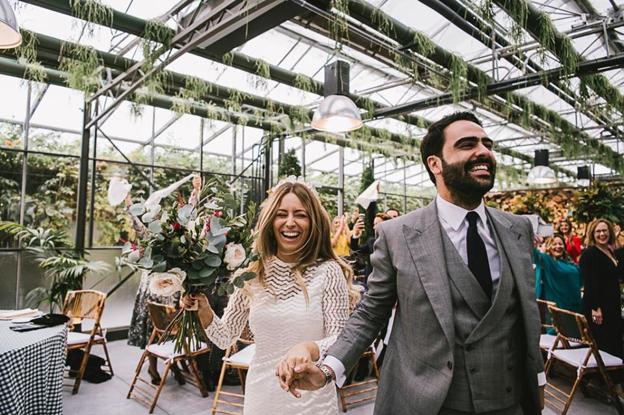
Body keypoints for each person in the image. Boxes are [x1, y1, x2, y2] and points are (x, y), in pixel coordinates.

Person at [278, 111, 544, 414]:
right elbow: (370, 313)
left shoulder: (517, 229)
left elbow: (525, 313)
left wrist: (538, 377)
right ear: (435, 164)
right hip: (429, 402)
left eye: (487, 144)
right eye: (468, 145)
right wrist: (328, 370)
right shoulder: (398, 234)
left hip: (508, 402)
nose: (484, 152)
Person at [181, 178, 359, 414]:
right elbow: (225, 338)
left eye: (301, 215)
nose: (290, 222)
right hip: (261, 396)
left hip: (311, 398)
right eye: (281, 214)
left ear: (313, 221)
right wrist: (203, 309)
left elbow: (340, 339)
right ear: (270, 220)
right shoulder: (250, 272)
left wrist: (310, 348)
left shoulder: (328, 271)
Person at [579, 218, 624, 359]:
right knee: (604, 342)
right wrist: (595, 307)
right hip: (599, 306)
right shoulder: (589, 254)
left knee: (614, 338)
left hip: (612, 303)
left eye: (605, 230)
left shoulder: (611, 252)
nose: (602, 234)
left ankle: (614, 375)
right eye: (598, 231)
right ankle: (602, 378)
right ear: (592, 234)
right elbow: (590, 283)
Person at [534, 234, 582, 314]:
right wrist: (534, 242)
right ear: (548, 247)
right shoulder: (547, 262)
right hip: (559, 309)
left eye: (560, 244)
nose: (558, 246)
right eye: (554, 244)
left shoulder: (570, 264)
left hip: (576, 307)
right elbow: (535, 255)